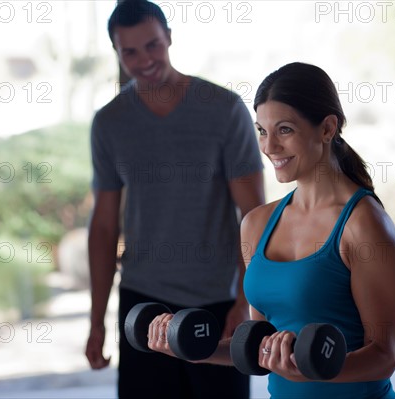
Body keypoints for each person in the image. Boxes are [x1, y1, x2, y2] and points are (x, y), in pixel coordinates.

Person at [148, 62, 395, 399]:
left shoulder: (364, 226)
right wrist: (191, 348)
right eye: (261, 130)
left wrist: (311, 372)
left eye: (284, 130)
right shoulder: (256, 225)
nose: (269, 146)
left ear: (327, 128)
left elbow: (384, 356)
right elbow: (259, 345)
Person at [84, 1, 265, 398]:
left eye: (152, 45)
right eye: (129, 51)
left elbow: (253, 215)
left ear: (169, 38)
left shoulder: (224, 110)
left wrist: (244, 300)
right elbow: (103, 226)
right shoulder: (110, 122)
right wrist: (96, 320)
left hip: (217, 303)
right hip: (142, 305)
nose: (144, 59)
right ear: (116, 52)